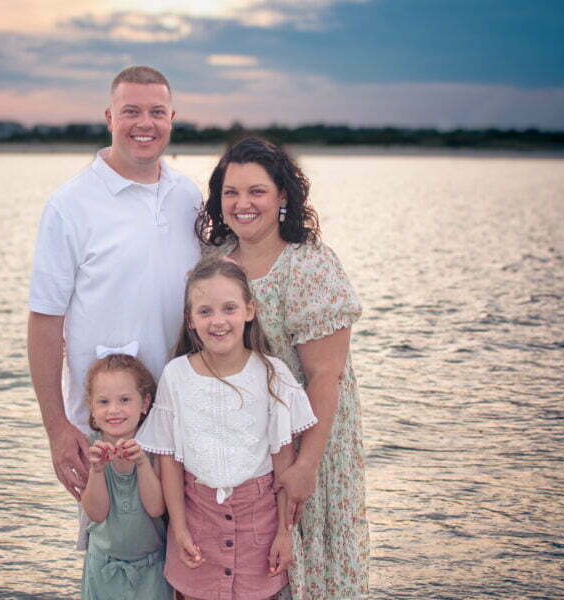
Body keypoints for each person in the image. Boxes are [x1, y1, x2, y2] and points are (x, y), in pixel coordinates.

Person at [197, 137, 368, 599]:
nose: (243, 203)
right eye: (231, 192)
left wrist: (306, 464)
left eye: (257, 191)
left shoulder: (308, 265)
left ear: (283, 196)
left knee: (306, 563)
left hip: (307, 438)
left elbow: (326, 375)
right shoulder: (214, 263)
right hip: (240, 443)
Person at [27, 65, 201, 504]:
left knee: (187, 540)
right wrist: (57, 428)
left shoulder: (189, 196)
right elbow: (45, 322)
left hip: (183, 417)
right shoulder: (70, 205)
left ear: (172, 118)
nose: (145, 123)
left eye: (157, 112)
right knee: (113, 541)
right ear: (110, 118)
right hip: (108, 428)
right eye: (131, 111)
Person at [136, 257, 318, 600]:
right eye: (205, 312)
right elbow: (170, 462)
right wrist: (179, 529)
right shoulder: (176, 376)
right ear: (190, 319)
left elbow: (283, 461)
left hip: (259, 526)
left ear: (249, 310)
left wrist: (284, 533)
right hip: (197, 523)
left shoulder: (272, 374)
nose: (218, 321)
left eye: (229, 308)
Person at [80, 351, 172, 600]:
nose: (114, 410)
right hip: (103, 568)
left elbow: (156, 508)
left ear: (144, 403)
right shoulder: (91, 447)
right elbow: (96, 513)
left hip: (150, 570)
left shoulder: (154, 448)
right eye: (103, 402)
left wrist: (141, 463)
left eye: (124, 400)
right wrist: (97, 471)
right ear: (91, 407)